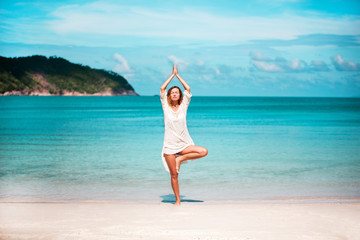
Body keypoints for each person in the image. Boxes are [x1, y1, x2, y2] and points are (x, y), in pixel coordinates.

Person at [160, 63, 208, 206]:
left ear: (180, 95)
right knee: (174, 175)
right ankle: (178, 200)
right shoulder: (165, 106)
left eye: (177, 92)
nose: (175, 93)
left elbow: (188, 88)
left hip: (183, 144)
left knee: (203, 151)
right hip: (169, 146)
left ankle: (179, 160)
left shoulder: (183, 106)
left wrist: (178, 75)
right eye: (172, 92)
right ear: (169, 95)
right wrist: (171, 76)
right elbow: (162, 88)